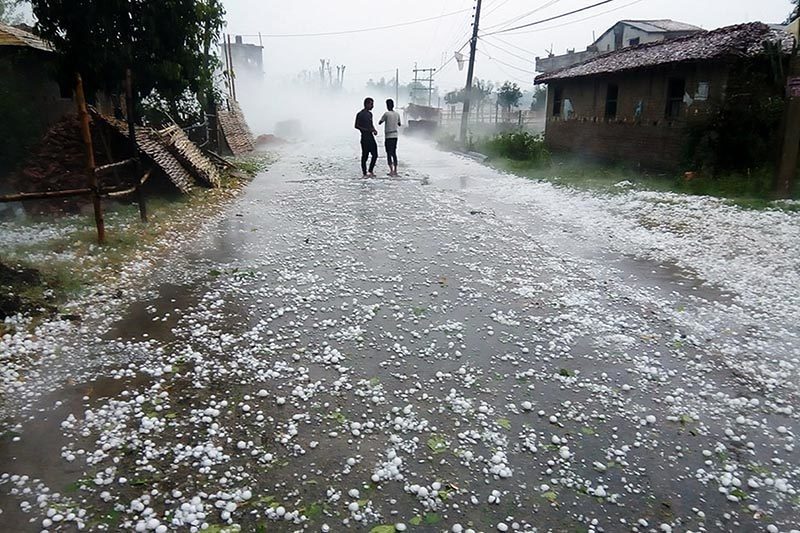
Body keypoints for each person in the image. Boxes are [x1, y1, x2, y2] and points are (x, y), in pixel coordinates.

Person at [354, 97, 378, 177]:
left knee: (375, 154)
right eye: (371, 104)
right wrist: (366, 130)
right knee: (365, 155)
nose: (372, 106)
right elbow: (356, 126)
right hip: (364, 137)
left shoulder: (370, 114)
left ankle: (370, 171)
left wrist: (374, 130)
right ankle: (364, 173)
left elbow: (371, 124)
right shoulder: (360, 114)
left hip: (371, 137)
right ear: (366, 104)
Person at [379, 99, 402, 176]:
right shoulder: (397, 114)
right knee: (394, 153)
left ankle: (391, 170)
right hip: (395, 136)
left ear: (387, 106)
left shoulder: (386, 114)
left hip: (388, 136)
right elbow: (399, 124)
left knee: (388, 153)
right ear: (393, 105)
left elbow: (380, 122)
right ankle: (395, 170)